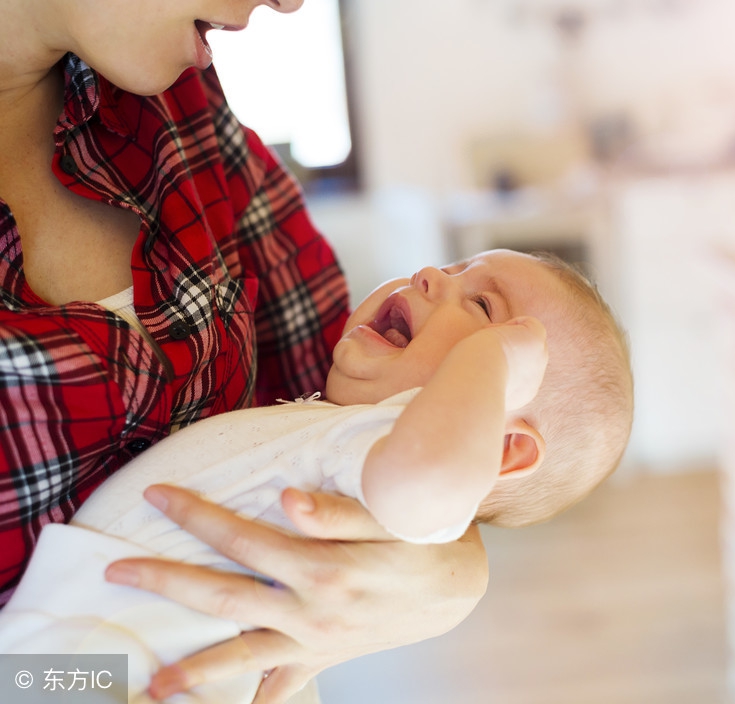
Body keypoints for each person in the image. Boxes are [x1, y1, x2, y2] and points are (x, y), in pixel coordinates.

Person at [0, 2, 489, 702]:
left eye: (483, 302)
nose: (292, 2)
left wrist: (453, 574)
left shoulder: (182, 114)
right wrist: (81, 681)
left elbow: (351, 402)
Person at [0, 248, 634, 703]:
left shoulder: (385, 444)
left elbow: (426, 481)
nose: (431, 274)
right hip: (75, 653)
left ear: (501, 451)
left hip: (127, 671)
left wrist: (489, 360)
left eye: (483, 304)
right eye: (454, 264)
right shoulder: (337, 432)